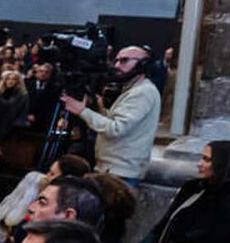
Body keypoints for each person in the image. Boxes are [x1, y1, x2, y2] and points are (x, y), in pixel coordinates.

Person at [61, 46, 161, 184]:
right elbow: (117, 121)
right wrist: (100, 109)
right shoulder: (133, 89)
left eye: (124, 60)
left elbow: (116, 128)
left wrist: (82, 112)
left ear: (142, 64)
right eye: (116, 60)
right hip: (113, 169)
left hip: (120, 172)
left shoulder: (142, 92)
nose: (117, 65)